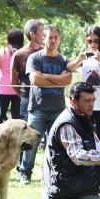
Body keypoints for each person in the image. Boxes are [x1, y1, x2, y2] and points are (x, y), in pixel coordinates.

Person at [19, 25, 72, 185]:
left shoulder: (64, 60)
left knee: (56, 145)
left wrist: (46, 77)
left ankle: (50, 174)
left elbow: (68, 81)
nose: (53, 40)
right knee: (30, 143)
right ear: (44, 38)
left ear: (60, 39)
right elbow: (35, 80)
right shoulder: (35, 58)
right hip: (38, 108)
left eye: (56, 37)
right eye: (50, 37)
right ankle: (25, 173)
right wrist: (58, 78)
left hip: (58, 109)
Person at [43, 82, 100, 199]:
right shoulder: (67, 123)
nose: (91, 104)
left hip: (81, 180)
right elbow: (78, 156)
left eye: (93, 100)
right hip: (67, 185)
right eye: (87, 101)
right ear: (74, 101)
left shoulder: (84, 117)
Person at [67, 26, 100, 135]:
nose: (93, 44)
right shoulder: (87, 57)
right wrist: (78, 59)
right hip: (86, 103)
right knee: (87, 134)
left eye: (96, 41)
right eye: (89, 41)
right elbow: (69, 67)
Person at [10, 20, 45, 122]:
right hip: (26, 99)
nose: (45, 34)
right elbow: (13, 82)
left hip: (46, 99)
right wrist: (23, 96)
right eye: (42, 31)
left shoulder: (47, 52)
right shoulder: (19, 55)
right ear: (32, 34)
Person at [0, 28, 23, 123]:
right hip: (17, 88)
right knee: (17, 118)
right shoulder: (22, 54)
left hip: (2, 88)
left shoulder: (2, 52)